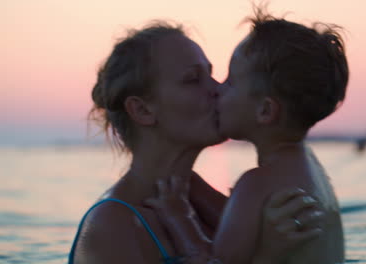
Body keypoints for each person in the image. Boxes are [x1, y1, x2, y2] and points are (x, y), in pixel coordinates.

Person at [68, 21, 326, 264]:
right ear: (142, 110)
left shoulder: (200, 201)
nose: (217, 89)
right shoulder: (112, 226)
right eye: (193, 79)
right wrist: (269, 256)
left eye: (211, 75)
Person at [146, 8, 348, 264]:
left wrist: (179, 217)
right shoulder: (312, 170)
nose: (218, 89)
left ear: (265, 111)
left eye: (230, 82)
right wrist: (192, 187)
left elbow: (216, 263)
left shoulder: (255, 185)